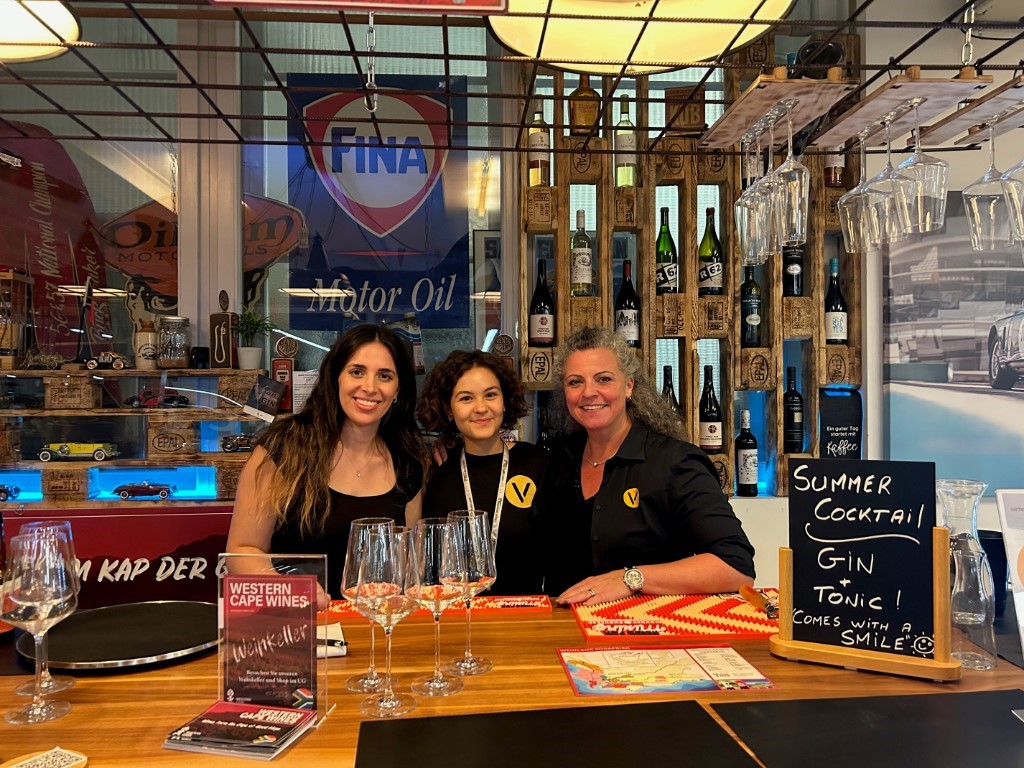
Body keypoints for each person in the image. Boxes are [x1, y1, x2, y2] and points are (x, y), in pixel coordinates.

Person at [547, 327, 755, 605]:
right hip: (564, 626)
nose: (588, 392)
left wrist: (630, 578)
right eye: (575, 382)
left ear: (629, 386)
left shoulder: (676, 462)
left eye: (603, 379)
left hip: (652, 627)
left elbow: (736, 567)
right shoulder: (560, 459)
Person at [226, 324, 424, 599]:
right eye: (357, 372)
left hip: (376, 620)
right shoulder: (284, 448)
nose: (370, 387)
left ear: (398, 389)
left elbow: (409, 569)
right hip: (299, 620)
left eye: (384, 376)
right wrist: (289, 590)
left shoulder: (407, 463)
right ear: (335, 377)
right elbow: (242, 551)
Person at [418, 350, 554, 595]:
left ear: (504, 401)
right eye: (466, 398)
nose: (481, 408)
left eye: (490, 395)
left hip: (526, 612)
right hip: (454, 611)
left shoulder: (538, 463)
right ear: (449, 410)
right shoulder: (435, 469)